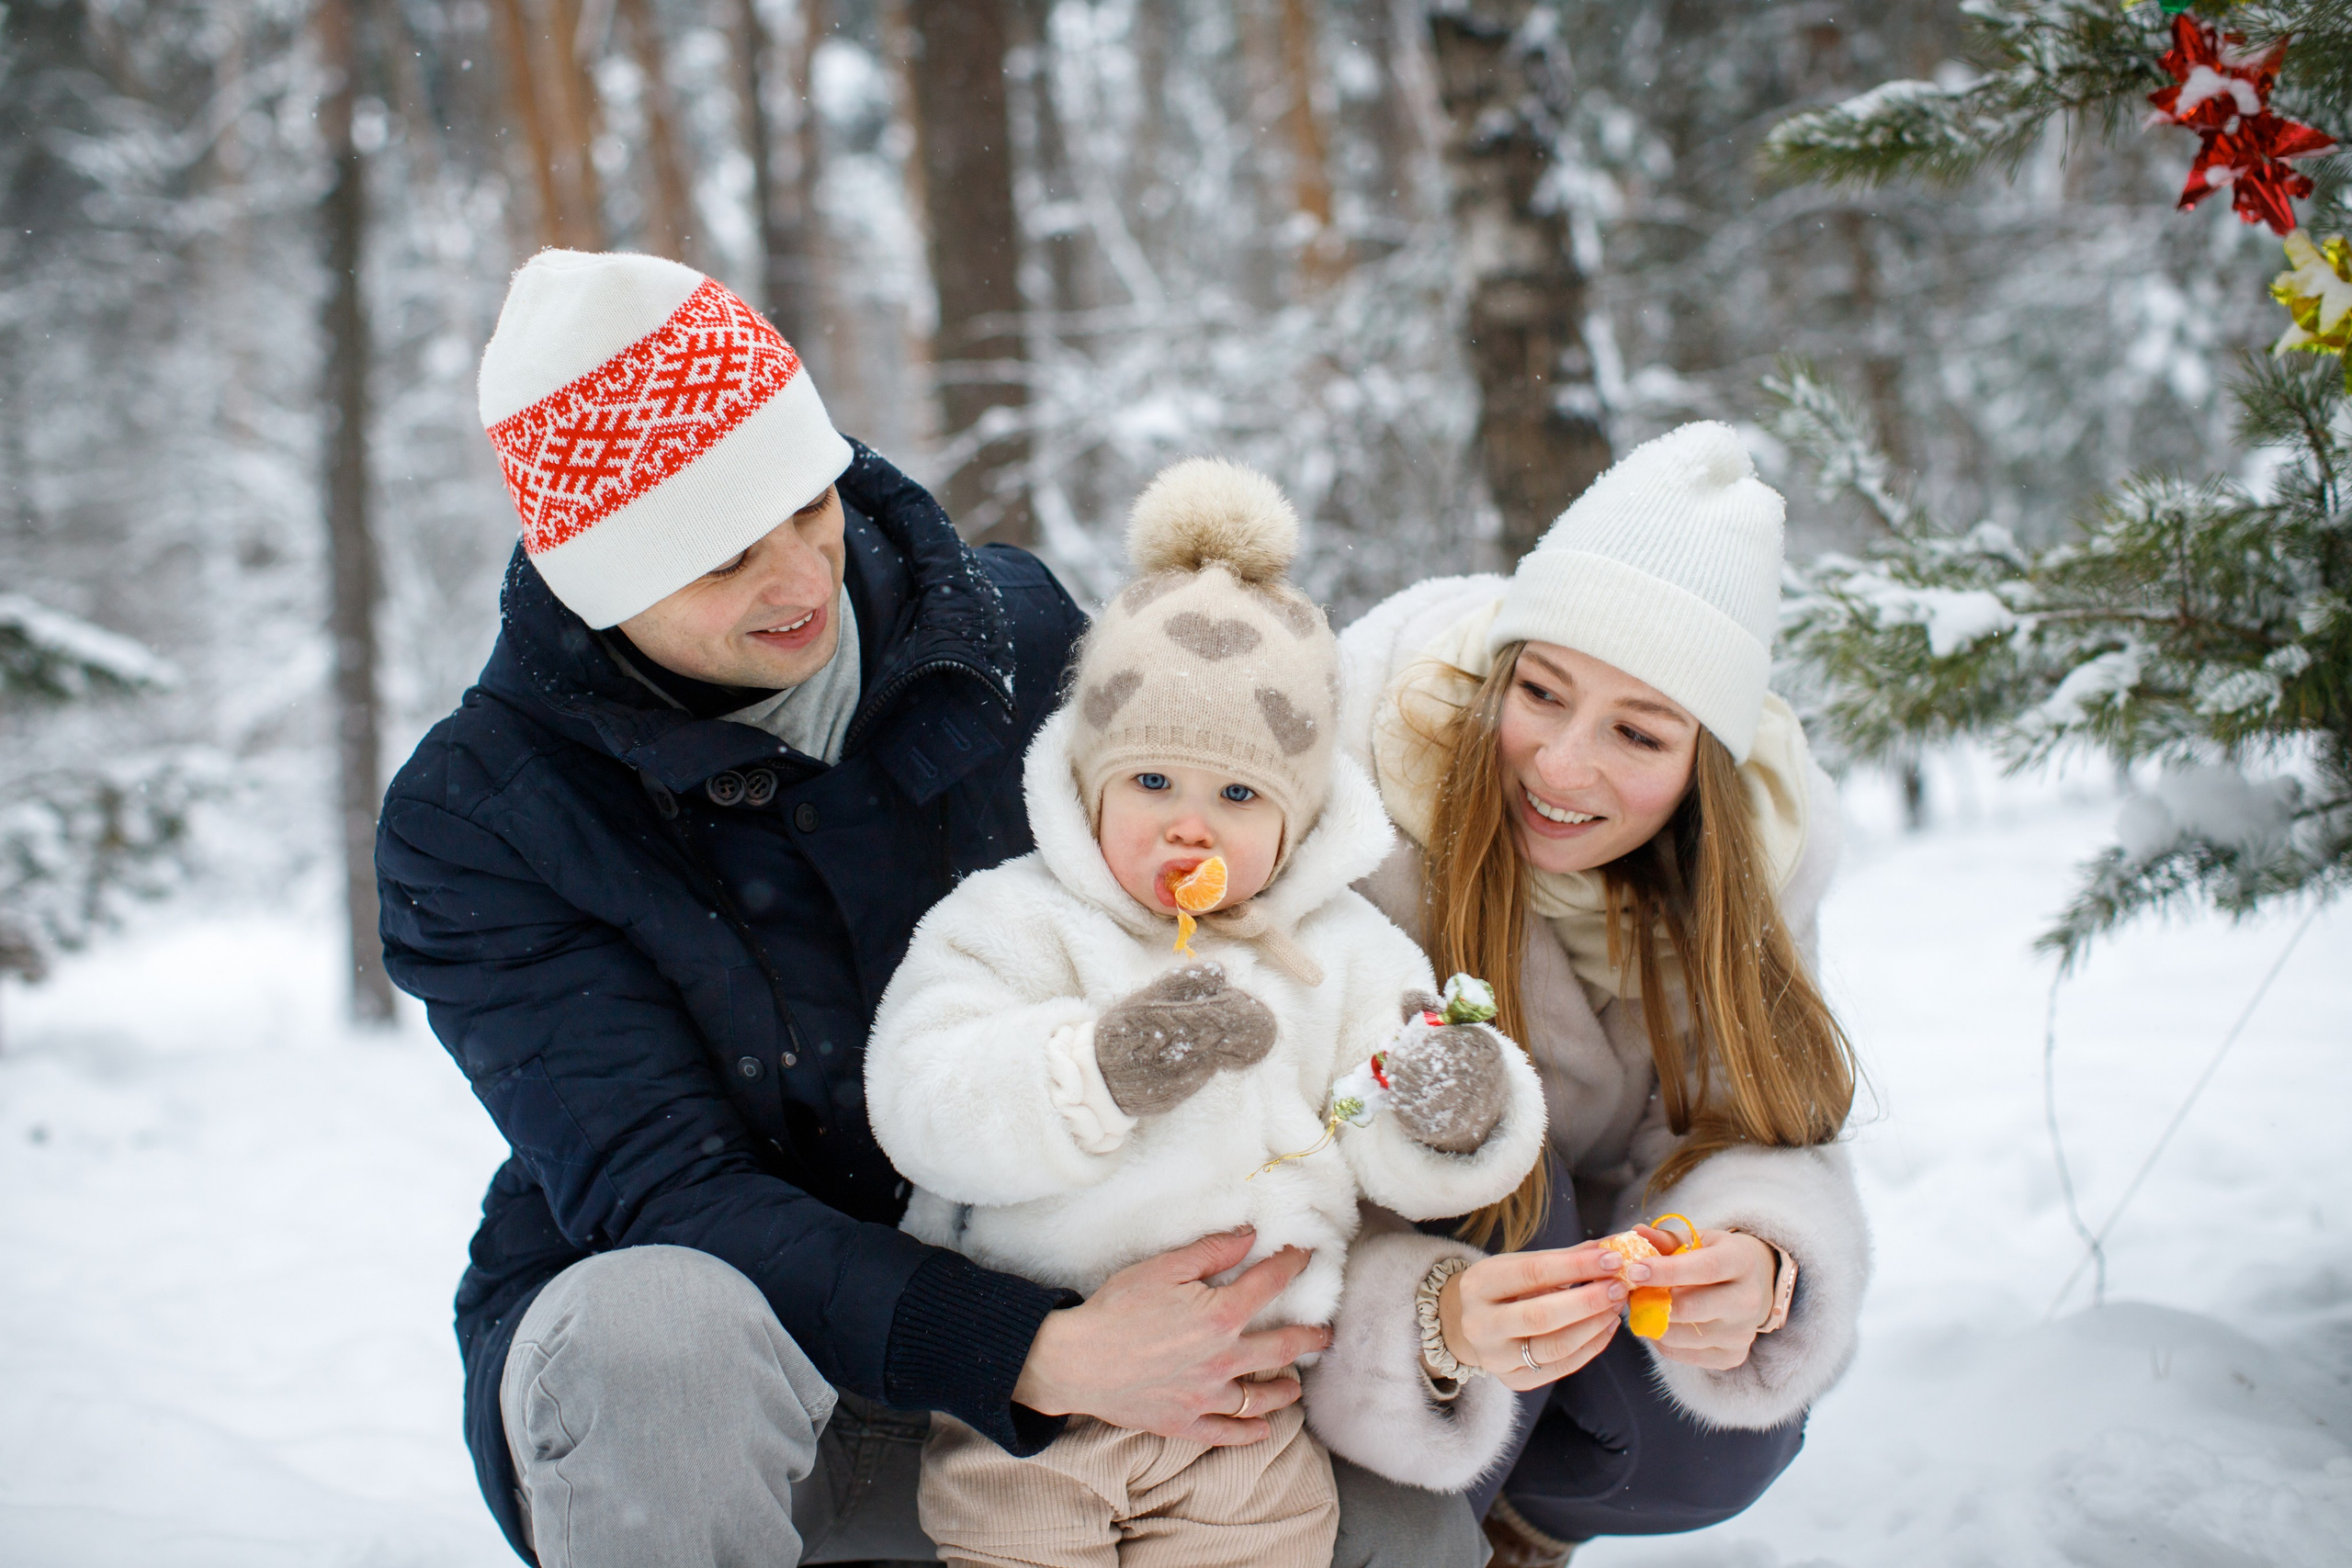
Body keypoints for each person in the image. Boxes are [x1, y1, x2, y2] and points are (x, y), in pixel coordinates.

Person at [376, 249, 1485, 1567]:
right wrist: (1033, 1351)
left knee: (1406, 1524)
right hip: (752, 1389)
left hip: (1087, 1297)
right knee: (653, 1334)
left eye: (806, 502)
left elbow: (1230, 876)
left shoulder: (1009, 628)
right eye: (724, 556)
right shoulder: (483, 815)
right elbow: (666, 1183)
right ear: (600, 579)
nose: (798, 577)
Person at [865, 458, 1547, 1567]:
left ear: (1299, 817)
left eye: (1236, 796)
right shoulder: (1012, 921)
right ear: (1087, 785)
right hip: (1029, 1410)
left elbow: (1391, 1138)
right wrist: (1102, 1069)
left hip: (1248, 1421)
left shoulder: (1339, 953)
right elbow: (921, 1098)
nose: (1189, 829)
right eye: (1150, 786)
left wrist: (1451, 1105)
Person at [1313, 422, 1871, 1565]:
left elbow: (1755, 1121)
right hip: (1335, 1339)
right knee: (1503, 1165)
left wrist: (1753, 1261)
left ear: (1704, 766)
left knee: (1717, 1438)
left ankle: (1516, 1517)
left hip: (1563, 1351)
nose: (1563, 767)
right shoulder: (1355, 801)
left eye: (1636, 732)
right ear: (1497, 670)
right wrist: (1426, 1322)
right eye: (1543, 693)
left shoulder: (1751, 860)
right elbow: (1255, 1159)